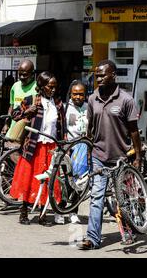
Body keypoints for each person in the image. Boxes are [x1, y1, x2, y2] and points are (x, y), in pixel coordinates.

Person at [78, 60, 141, 250]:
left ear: (113, 75)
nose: (98, 78)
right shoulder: (92, 99)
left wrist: (137, 156)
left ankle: (129, 233)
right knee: (96, 197)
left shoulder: (126, 100)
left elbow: (134, 131)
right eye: (96, 75)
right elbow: (90, 127)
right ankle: (93, 239)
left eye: (102, 74)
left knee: (125, 198)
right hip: (99, 155)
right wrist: (88, 148)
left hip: (122, 157)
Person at [9, 71, 66, 226]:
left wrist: (63, 143)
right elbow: (14, 114)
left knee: (48, 181)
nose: (53, 90)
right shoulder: (32, 100)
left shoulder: (58, 103)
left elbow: (62, 126)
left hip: (51, 147)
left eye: (55, 87)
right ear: (42, 86)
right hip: (33, 147)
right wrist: (27, 111)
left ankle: (42, 215)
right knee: (29, 180)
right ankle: (24, 212)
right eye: (50, 87)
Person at [60, 80, 88, 225]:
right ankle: (61, 208)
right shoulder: (64, 109)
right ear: (70, 94)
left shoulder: (89, 108)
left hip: (83, 148)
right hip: (68, 148)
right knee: (64, 181)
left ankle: (73, 211)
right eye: (75, 94)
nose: (78, 97)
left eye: (81, 94)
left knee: (78, 181)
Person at [2, 60, 37, 139]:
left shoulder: (37, 87)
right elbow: (12, 106)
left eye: (24, 75)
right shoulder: (15, 86)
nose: (21, 77)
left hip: (29, 130)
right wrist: (6, 124)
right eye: (19, 75)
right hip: (14, 128)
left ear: (32, 74)